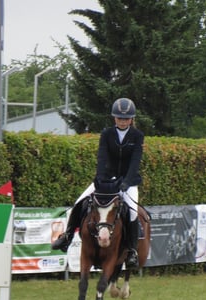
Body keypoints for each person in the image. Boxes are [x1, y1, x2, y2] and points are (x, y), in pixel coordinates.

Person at [51, 97, 144, 268]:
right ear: (114, 118)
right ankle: (67, 237)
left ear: (131, 119)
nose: (122, 121)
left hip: (127, 182)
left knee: (132, 212)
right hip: (106, 180)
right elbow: (102, 158)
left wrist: (127, 182)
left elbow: (135, 162)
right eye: (119, 118)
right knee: (79, 202)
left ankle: (132, 251)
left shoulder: (137, 136)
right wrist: (100, 179)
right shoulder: (107, 134)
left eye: (126, 118)